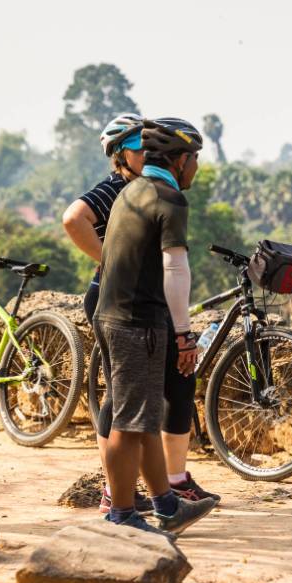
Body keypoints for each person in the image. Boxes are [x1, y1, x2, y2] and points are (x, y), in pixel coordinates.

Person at [62, 114, 218, 515]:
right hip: (137, 321)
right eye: (194, 158)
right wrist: (184, 334)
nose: (197, 167)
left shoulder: (130, 191)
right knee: (128, 423)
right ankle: (122, 512)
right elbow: (176, 269)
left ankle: (166, 504)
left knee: (142, 418)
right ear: (179, 160)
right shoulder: (167, 198)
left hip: (112, 313)